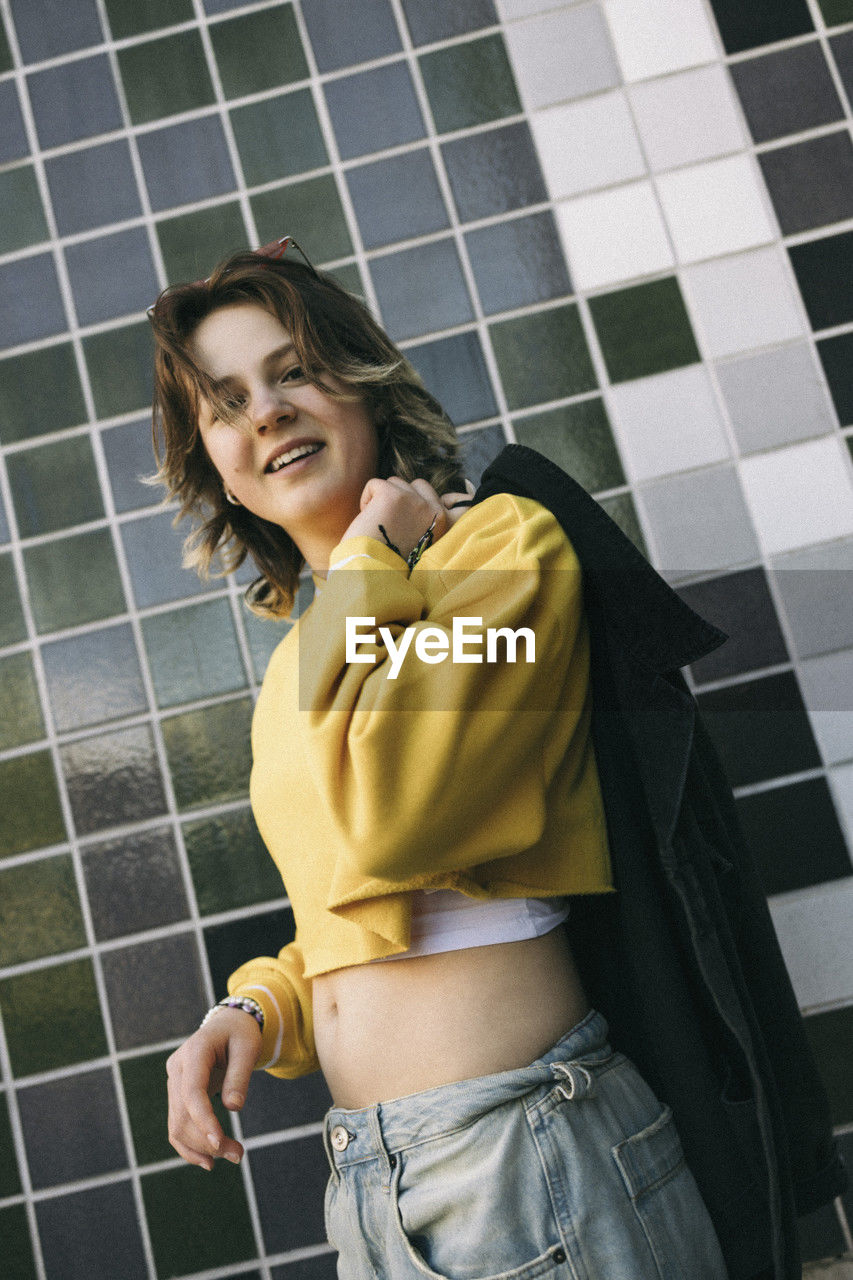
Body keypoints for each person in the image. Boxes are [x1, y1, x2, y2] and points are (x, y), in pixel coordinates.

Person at [152, 238, 730, 1279]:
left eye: (292, 371)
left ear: (364, 389)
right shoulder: (301, 659)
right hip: (372, 1192)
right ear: (220, 473)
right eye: (226, 401)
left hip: (529, 1154)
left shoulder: (500, 551)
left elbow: (401, 820)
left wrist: (373, 555)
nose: (268, 410)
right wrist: (254, 1006)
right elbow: (353, 905)